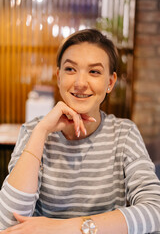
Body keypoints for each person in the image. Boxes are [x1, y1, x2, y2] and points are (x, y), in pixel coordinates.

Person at [0, 29, 160, 234]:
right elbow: (8, 222)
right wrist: (41, 132)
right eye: (70, 69)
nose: (80, 83)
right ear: (58, 77)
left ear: (110, 82)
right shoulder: (33, 131)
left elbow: (155, 210)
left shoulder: (124, 133)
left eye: (94, 72)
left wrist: (68, 227)